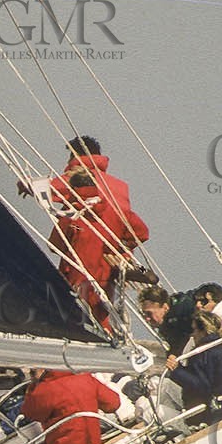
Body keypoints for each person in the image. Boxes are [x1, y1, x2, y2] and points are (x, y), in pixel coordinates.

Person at [25, 136, 150, 329]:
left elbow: (54, 244)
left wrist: (23, 184)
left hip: (78, 271)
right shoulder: (118, 187)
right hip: (107, 269)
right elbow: (141, 233)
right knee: (102, 313)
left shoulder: (74, 191)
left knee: (70, 315)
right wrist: (119, 250)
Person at [20, 368, 122, 444]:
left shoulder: (44, 389)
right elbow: (113, 404)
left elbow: (29, 413)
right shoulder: (85, 377)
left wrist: (34, 385)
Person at [159, 308, 222, 424]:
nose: (192, 335)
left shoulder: (205, 353)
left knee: (157, 410)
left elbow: (201, 386)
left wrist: (176, 370)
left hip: (216, 413)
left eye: (194, 330)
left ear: (203, 331)